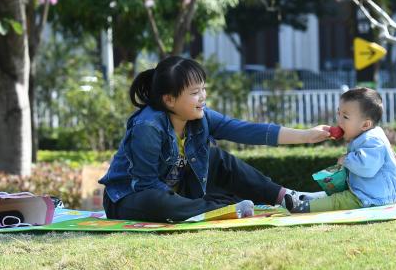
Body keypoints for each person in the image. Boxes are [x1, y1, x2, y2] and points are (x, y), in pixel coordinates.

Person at [100, 56, 329, 223]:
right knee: (157, 201)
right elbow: (145, 184)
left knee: (216, 157)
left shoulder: (201, 117)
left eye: (203, 89)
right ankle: (220, 209)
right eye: (194, 93)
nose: (203, 97)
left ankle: (288, 197)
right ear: (169, 100)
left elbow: (247, 131)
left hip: (178, 196)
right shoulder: (148, 126)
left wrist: (306, 135)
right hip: (130, 198)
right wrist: (184, 202)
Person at [290, 87, 396, 213]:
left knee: (339, 201)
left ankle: (305, 207)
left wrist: (347, 160)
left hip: (375, 197)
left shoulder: (373, 141)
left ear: (365, 125)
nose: (339, 120)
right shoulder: (363, 137)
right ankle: (308, 199)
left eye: (345, 117)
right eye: (339, 113)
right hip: (366, 192)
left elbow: (367, 167)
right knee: (340, 197)